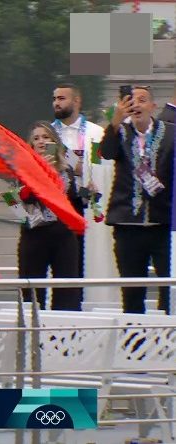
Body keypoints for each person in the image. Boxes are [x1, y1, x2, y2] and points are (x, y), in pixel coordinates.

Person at [101, 85, 174, 314]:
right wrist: (115, 121)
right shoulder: (119, 132)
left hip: (162, 225)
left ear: (153, 106)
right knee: (132, 293)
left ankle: (167, 343)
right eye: (131, 101)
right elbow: (106, 153)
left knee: (168, 289)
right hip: (128, 225)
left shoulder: (171, 133)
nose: (137, 105)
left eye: (143, 100)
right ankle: (134, 346)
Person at [18, 122, 83, 310]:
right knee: (32, 292)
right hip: (34, 233)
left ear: (54, 141)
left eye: (46, 137)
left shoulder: (66, 166)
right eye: (36, 138)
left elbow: (73, 196)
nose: (41, 142)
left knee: (67, 290)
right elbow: (13, 199)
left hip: (63, 234)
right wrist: (40, 172)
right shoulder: (22, 166)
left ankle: (63, 333)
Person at [51, 83, 110, 285]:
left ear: (77, 101)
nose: (56, 103)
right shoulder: (46, 135)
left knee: (83, 264)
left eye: (61, 98)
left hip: (85, 206)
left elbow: (96, 168)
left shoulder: (95, 134)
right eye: (54, 99)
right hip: (52, 212)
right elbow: (16, 198)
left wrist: (73, 163)